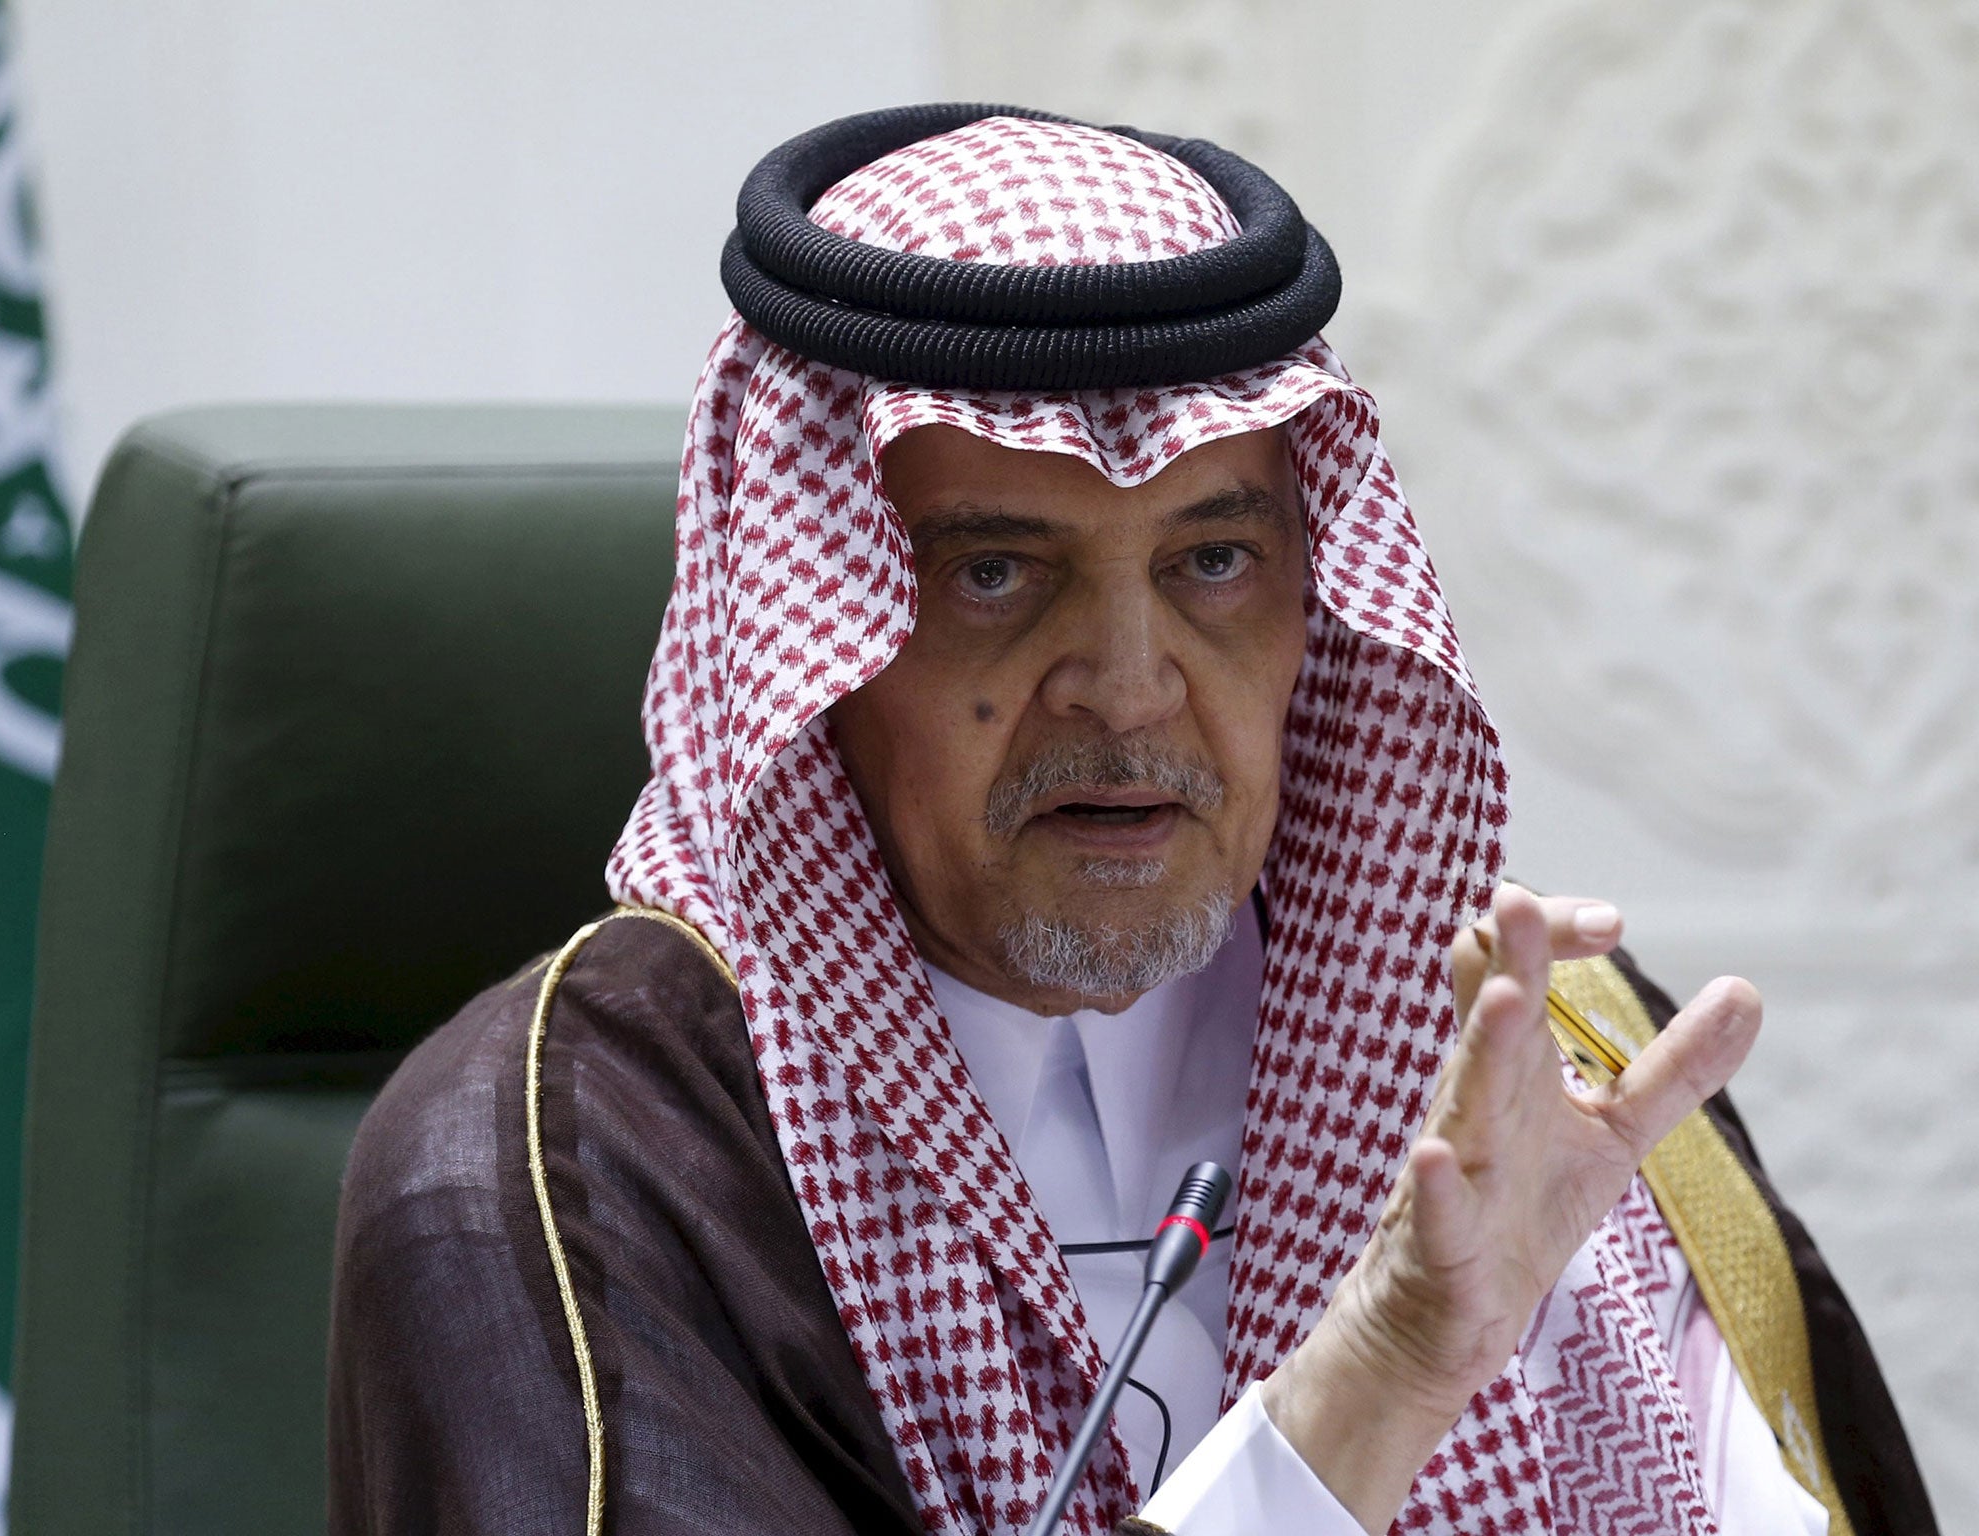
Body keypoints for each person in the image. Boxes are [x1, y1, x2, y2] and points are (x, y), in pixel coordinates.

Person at [326, 107, 1935, 1535]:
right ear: (811, 645)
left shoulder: (1530, 1077)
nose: (1128, 685)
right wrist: (1370, 1390)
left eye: (1212, 561)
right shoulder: (575, 1161)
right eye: (994, 574)